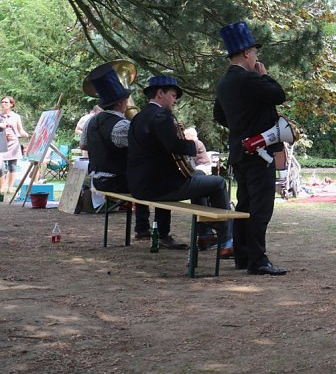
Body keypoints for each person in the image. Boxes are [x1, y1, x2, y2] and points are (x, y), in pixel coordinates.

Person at [214, 21, 289, 276]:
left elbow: (219, 115)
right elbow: (279, 95)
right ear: (246, 53)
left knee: (244, 205)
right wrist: (263, 75)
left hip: (239, 151)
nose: (257, 58)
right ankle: (258, 260)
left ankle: (243, 256)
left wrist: (241, 128)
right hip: (260, 153)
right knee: (261, 207)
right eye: (255, 53)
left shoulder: (225, 82)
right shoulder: (249, 79)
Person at [128, 75, 232, 257]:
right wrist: (192, 145)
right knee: (218, 183)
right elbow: (174, 146)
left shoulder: (138, 117)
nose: (175, 101)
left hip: (140, 186)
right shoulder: (161, 115)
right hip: (161, 187)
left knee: (199, 177)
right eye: (173, 95)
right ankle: (226, 241)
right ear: (160, 94)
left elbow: (159, 146)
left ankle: (205, 234)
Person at [81, 64, 178, 246]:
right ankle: (158, 232)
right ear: (121, 103)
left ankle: (143, 229)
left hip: (97, 179)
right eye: (126, 99)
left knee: (141, 178)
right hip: (116, 180)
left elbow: (84, 145)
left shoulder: (91, 122)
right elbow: (141, 148)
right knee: (159, 183)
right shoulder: (122, 126)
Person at [0, 96, 29, 195]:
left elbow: (20, 130)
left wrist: (26, 135)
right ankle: (1, 187)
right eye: (2, 102)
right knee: (1, 167)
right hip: (1, 143)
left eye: (6, 102)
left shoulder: (16, 116)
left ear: (11, 104)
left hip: (13, 143)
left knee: (12, 167)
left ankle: (10, 188)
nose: (3, 104)